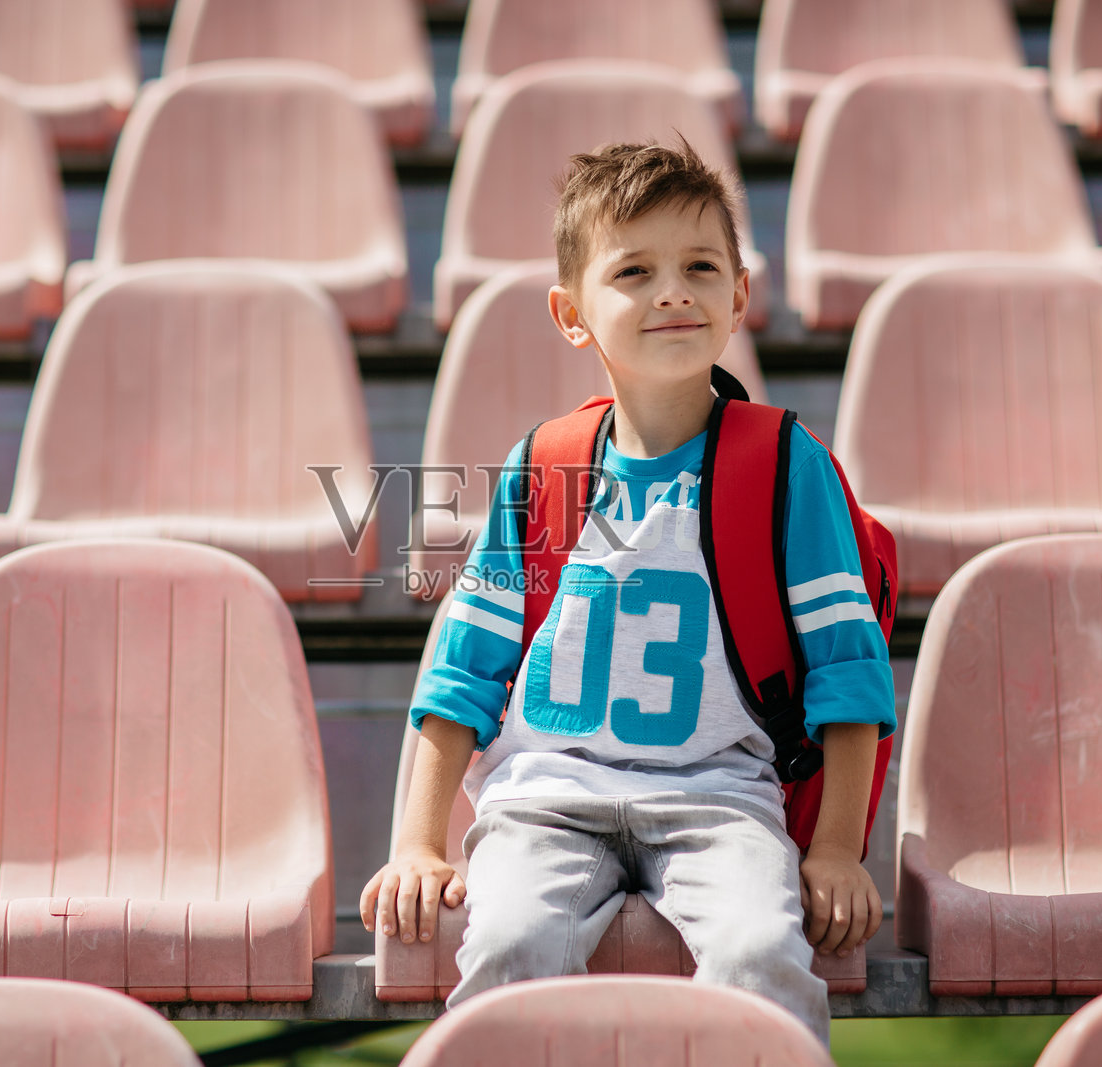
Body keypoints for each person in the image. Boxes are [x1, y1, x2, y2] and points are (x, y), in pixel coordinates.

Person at [360, 139, 896, 1043]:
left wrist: (837, 848)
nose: (673, 291)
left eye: (699, 267)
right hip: (545, 797)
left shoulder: (784, 467)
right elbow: (467, 666)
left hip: (721, 798)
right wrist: (416, 840)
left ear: (740, 296)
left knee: (760, 951)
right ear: (574, 314)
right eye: (635, 271)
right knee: (506, 943)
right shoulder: (546, 467)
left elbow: (848, 671)